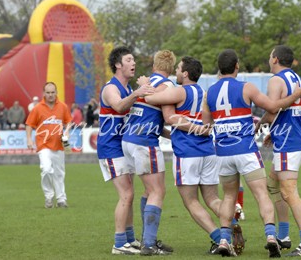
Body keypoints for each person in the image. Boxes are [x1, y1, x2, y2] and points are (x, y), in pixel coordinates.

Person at [203, 49, 301, 257]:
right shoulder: (246, 87)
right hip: (246, 150)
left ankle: (223, 240)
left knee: (229, 195)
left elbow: (206, 124)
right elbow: (273, 106)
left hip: (223, 152)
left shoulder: (209, 92)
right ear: (237, 66)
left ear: (219, 68)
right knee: (261, 194)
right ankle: (270, 236)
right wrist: (294, 96)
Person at [145, 56, 234, 254]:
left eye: (178, 68)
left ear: (185, 73)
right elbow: (206, 122)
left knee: (191, 201)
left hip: (187, 154)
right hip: (208, 152)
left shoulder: (179, 91)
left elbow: (152, 100)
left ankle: (220, 239)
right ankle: (232, 226)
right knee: (212, 199)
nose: (176, 71)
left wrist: (145, 84)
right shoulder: (203, 92)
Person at [258, 45, 301, 256]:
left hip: (288, 143)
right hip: (293, 139)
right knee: (273, 185)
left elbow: (272, 107)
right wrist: (272, 130)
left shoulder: (276, 80)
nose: (268, 58)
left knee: (289, 192)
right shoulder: (296, 78)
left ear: (275, 59)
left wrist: (262, 124)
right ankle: (283, 236)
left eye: (269, 55)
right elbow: (284, 111)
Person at [97, 46, 154, 255]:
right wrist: (139, 93)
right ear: (118, 64)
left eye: (134, 60)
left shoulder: (129, 89)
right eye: (129, 60)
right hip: (111, 148)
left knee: (129, 194)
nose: (134, 63)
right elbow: (119, 107)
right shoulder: (110, 88)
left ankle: (129, 240)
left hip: (123, 148)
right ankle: (119, 243)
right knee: (126, 194)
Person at [121, 50, 176, 256]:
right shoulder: (167, 85)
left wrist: (173, 137)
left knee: (150, 190)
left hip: (130, 139)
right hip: (144, 142)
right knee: (157, 192)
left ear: (154, 64)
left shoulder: (145, 83)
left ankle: (148, 239)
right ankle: (149, 243)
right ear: (170, 68)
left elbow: (152, 118)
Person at [25, 82, 73, 209]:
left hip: (59, 145)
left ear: (56, 92)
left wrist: (67, 131)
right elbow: (29, 124)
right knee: (46, 169)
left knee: (59, 174)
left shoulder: (63, 107)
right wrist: (29, 139)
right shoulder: (37, 108)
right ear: (43, 93)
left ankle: (61, 200)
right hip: (43, 145)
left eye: (52, 92)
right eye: (48, 92)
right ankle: (48, 196)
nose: (50, 95)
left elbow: (69, 121)